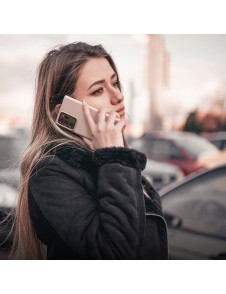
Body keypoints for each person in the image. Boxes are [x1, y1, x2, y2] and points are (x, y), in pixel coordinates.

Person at [10, 42, 168, 260]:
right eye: (98, 90)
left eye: (115, 83)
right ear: (65, 111)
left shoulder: (114, 160)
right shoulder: (51, 171)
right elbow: (116, 255)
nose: (118, 96)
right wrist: (114, 156)